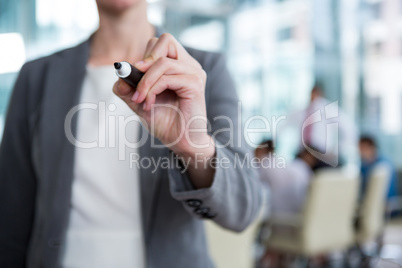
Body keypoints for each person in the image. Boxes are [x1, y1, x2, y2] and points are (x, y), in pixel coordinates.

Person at [0, 0, 262, 267]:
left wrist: (193, 147)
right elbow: (11, 217)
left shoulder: (201, 71)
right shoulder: (36, 78)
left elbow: (243, 209)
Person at [279, 84, 359, 168]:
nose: (314, 97)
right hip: (303, 154)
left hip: (322, 155)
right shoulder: (302, 111)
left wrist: (337, 150)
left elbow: (349, 128)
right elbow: (283, 126)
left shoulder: (329, 110)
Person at [359, 135, 398, 207]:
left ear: (370, 147)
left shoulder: (384, 164)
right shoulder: (364, 165)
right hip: (370, 202)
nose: (360, 152)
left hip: (386, 204)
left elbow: (385, 191)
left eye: (362, 148)